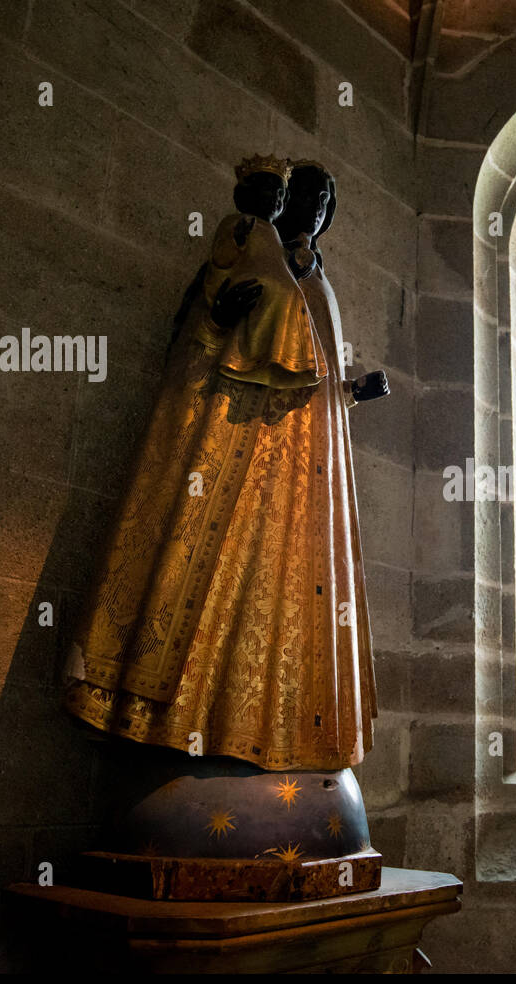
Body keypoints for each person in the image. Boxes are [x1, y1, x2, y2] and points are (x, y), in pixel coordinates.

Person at [64, 153, 379, 773]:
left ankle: (284, 737)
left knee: (290, 588)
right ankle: (181, 727)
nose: (313, 211)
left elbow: (317, 377)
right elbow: (196, 332)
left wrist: (352, 394)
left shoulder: (319, 284)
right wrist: (219, 319)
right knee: (211, 571)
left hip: (306, 469)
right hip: (236, 439)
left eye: (324, 203)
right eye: (305, 197)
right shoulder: (246, 251)